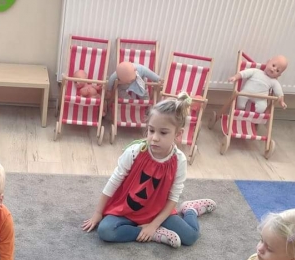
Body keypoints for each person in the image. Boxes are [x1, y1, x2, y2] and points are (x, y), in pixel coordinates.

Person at [82, 94, 216, 248]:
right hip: (127, 209)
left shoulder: (179, 161)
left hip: (158, 211)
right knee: (105, 230)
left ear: (178, 134)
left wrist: (154, 224)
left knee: (191, 237)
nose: (154, 138)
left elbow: (173, 197)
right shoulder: (134, 152)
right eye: (151, 130)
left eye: (163, 133)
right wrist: (98, 212)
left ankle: (190, 210)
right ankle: (154, 234)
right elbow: (113, 182)